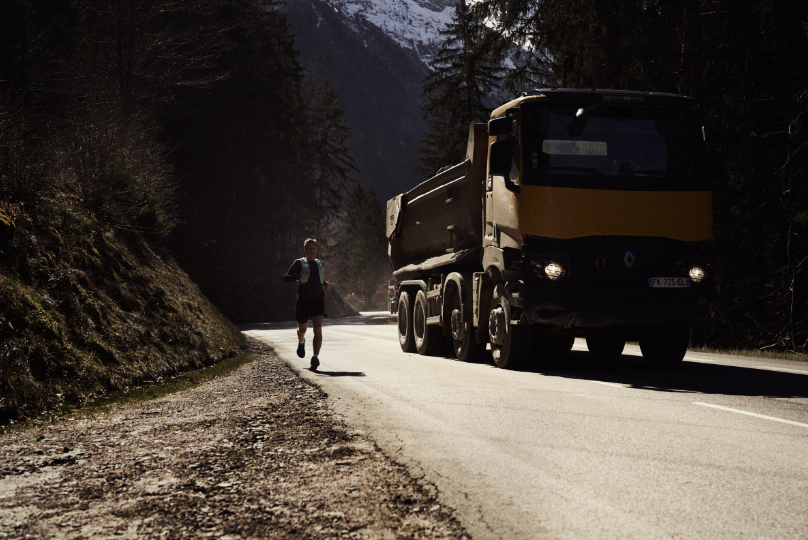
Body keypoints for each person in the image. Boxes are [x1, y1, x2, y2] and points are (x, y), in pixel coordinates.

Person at [283, 238, 332, 370]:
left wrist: (326, 283)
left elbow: (319, 278)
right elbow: (286, 278)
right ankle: (301, 341)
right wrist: (298, 277)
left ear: (317, 250)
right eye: (309, 248)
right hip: (303, 300)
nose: (312, 251)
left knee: (318, 329)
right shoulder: (299, 263)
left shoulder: (320, 263)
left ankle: (315, 357)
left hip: (318, 300)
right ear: (305, 250)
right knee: (302, 330)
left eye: (314, 248)